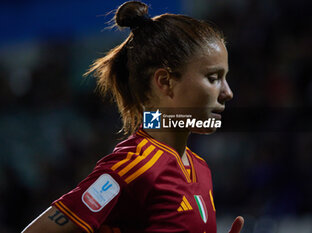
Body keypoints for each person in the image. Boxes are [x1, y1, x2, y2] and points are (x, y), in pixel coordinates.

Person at [22, 1, 244, 232]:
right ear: (166, 82)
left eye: (225, 77)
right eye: (213, 78)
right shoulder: (135, 167)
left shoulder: (201, 168)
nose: (228, 92)